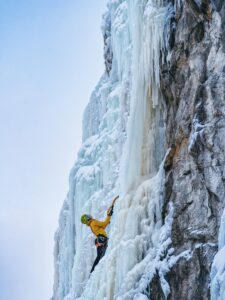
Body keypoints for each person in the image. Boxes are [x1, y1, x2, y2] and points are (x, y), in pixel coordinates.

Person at [81, 196, 119, 273]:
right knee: (103, 254)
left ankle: (93, 270)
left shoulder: (91, 226)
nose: (89, 216)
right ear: (88, 219)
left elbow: (103, 226)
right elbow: (104, 223)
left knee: (99, 257)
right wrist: (108, 215)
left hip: (98, 240)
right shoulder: (93, 222)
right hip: (102, 239)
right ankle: (95, 270)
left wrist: (108, 216)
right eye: (88, 216)